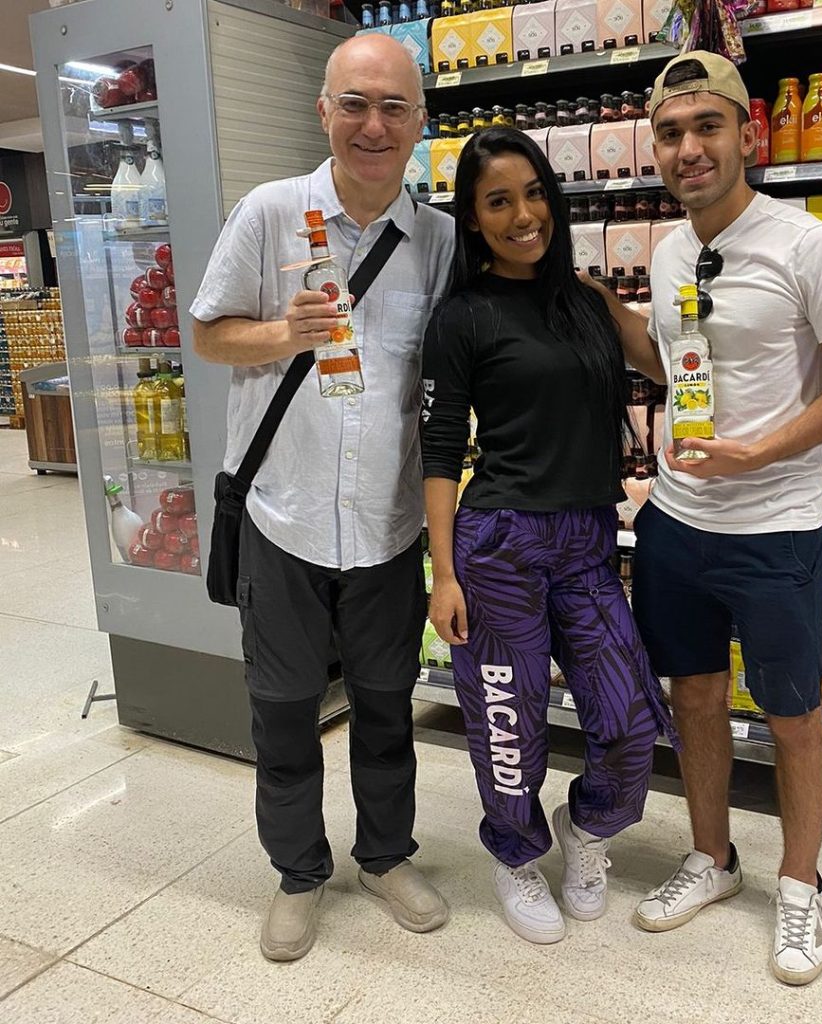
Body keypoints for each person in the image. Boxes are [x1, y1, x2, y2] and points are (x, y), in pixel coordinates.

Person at [589, 52, 822, 985]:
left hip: (775, 528)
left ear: (747, 136)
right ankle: (712, 857)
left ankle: (799, 885)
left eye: (706, 127)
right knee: (693, 698)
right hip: (677, 522)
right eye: (671, 133)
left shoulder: (810, 246)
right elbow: (669, 361)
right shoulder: (670, 250)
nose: (689, 148)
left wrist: (764, 451)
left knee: (794, 715)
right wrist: (598, 305)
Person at [190, 34, 454, 962]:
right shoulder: (270, 213)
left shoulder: (438, 238)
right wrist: (281, 333)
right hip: (284, 516)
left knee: (386, 708)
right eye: (355, 104)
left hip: (388, 523)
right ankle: (299, 873)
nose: (373, 126)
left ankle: (384, 857)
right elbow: (208, 335)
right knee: (283, 711)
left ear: (420, 122)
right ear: (324, 111)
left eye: (393, 108)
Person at [420, 127, 677, 946]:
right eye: (498, 201)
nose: (524, 215)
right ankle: (516, 855)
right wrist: (444, 574)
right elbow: (438, 449)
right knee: (510, 726)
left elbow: (669, 367)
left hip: (587, 543)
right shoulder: (462, 316)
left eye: (534, 193)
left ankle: (587, 829)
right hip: (498, 545)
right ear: (472, 218)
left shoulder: (587, 300)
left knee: (629, 721)